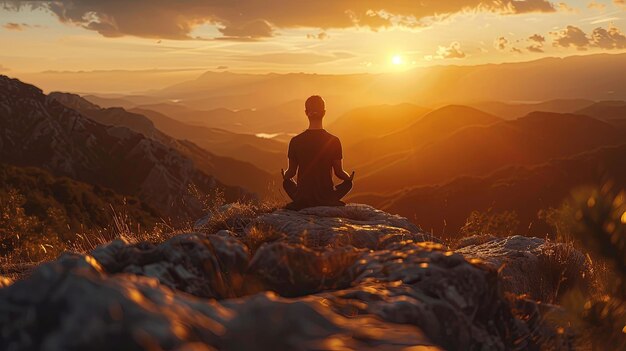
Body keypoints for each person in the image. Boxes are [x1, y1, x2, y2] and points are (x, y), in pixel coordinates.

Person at [282, 95, 355, 210]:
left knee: (286, 183)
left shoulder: (295, 141)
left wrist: (284, 175)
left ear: (306, 112)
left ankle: (301, 198)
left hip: (303, 198)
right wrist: (349, 177)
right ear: (324, 112)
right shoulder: (334, 141)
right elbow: (339, 172)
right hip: (326, 197)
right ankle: (330, 200)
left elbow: (291, 173)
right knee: (349, 184)